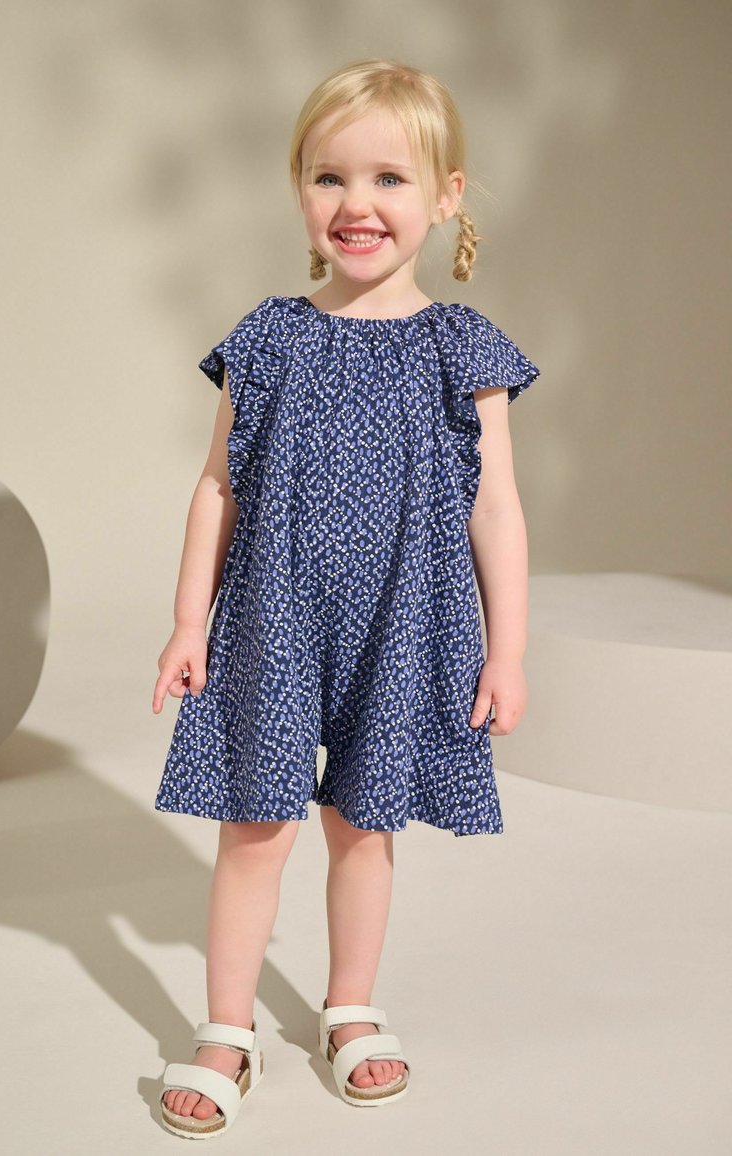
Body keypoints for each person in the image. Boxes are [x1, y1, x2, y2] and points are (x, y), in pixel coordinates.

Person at [152, 58, 541, 1139]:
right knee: (254, 826)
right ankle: (227, 1027)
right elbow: (218, 486)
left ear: (446, 197)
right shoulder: (268, 337)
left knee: (363, 826)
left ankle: (348, 1006)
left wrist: (506, 649)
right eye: (329, 177)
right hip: (272, 619)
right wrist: (187, 622)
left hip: (402, 625)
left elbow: (496, 508)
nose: (355, 204)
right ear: (299, 191)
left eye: (388, 179)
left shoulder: (463, 348)